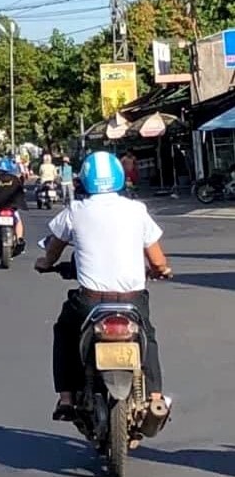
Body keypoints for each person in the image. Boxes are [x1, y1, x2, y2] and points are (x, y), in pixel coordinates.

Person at [35, 150, 172, 421]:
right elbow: (157, 259)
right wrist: (160, 270)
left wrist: (44, 262)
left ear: (84, 180)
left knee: (64, 331)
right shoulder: (136, 210)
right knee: (148, 336)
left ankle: (65, 398)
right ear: (120, 177)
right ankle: (155, 398)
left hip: (90, 301)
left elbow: (53, 249)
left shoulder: (75, 210)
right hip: (133, 300)